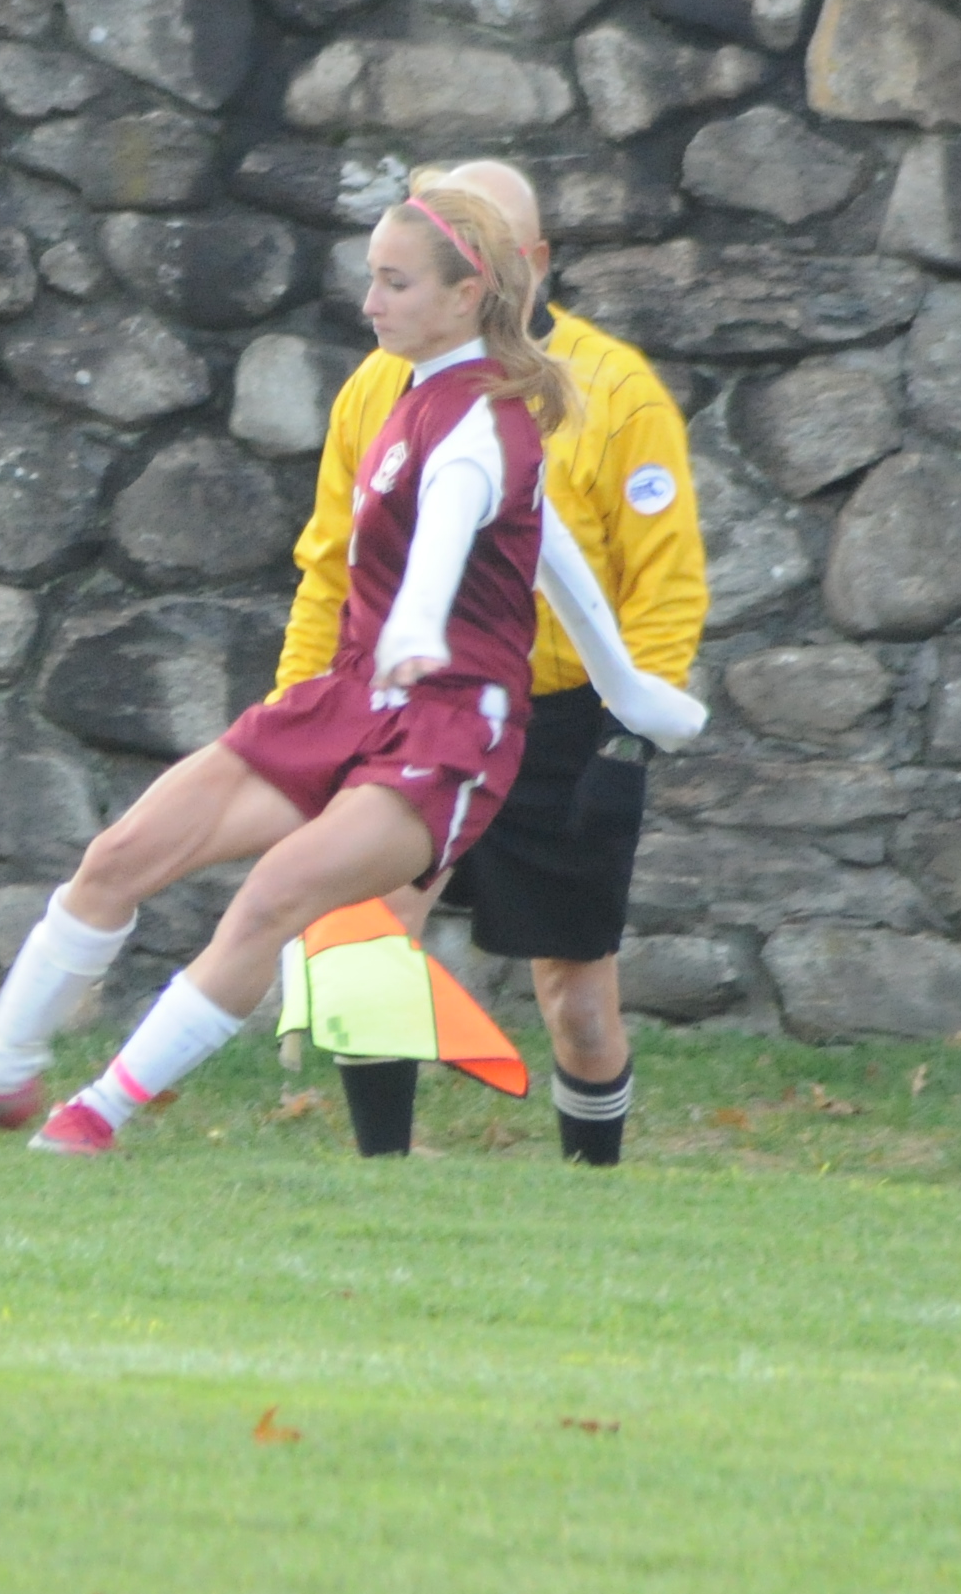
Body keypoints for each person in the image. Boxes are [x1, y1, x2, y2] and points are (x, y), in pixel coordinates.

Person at [0, 180, 699, 1156]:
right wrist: (631, 684)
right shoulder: (397, 391)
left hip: (452, 726)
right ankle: (0, 1072)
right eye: (372, 277)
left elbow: (455, 515)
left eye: (394, 283)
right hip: (349, 697)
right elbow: (547, 553)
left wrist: (597, 691)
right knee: (119, 856)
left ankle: (92, 1117)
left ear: (467, 295)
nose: (369, 302)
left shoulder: (484, 421)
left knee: (277, 898)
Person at [285, 160, 706, 1169]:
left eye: (497, 250)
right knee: (370, 927)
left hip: (558, 724)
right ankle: (383, 1172)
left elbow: (664, 583)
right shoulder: (378, 387)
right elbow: (330, 562)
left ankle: (592, 1187)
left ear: (533, 263)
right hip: (421, 713)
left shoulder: (614, 390)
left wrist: (625, 741)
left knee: (578, 1000)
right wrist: (302, 704)